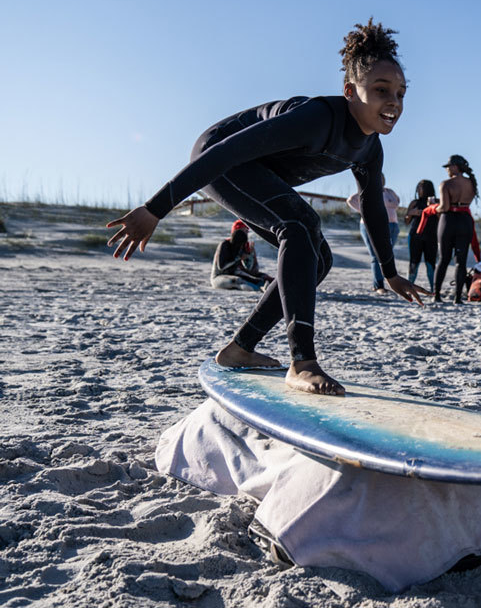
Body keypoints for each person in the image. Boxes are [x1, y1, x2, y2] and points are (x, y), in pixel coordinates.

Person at [106, 20, 427, 396]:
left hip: (255, 171)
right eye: (381, 90)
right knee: (300, 224)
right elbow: (226, 151)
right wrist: (155, 208)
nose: (394, 102)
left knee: (319, 260)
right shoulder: (318, 119)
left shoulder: (370, 150)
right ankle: (302, 363)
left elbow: (372, 206)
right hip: (218, 157)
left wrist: (390, 273)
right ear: (349, 92)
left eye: (401, 93)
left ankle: (240, 349)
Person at [431, 155, 479, 304]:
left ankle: (436, 295)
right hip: (465, 220)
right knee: (461, 261)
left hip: (449, 220)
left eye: (448, 167)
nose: (447, 169)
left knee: (443, 259)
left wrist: (433, 207)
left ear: (455, 167)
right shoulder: (471, 183)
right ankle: (458, 297)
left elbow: (445, 207)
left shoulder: (446, 184)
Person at [347, 175, 401, 294]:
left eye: (382, 178)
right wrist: (365, 211)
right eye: (378, 177)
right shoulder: (367, 190)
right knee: (376, 255)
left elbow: (397, 202)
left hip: (392, 225)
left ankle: (391, 282)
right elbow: (351, 200)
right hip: (372, 225)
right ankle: (378, 285)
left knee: (387, 254)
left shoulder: (389, 192)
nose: (380, 180)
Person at [211, 220, 274, 291]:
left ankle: (269, 288)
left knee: (262, 278)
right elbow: (221, 267)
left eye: (247, 231)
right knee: (238, 280)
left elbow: (250, 269)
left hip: (235, 273)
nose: (246, 233)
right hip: (219, 277)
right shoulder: (225, 244)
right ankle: (259, 289)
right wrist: (239, 258)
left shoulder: (242, 245)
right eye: (244, 231)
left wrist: (250, 255)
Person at [404, 179, 438, 292]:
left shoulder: (437, 202)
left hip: (432, 237)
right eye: (418, 187)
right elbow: (406, 221)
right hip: (415, 236)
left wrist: (433, 208)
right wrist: (411, 213)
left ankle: (434, 289)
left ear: (428, 189)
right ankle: (410, 287)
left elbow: (442, 218)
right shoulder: (415, 203)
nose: (418, 190)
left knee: (431, 264)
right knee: (414, 263)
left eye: (421, 187)